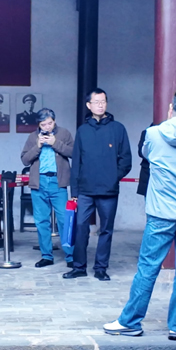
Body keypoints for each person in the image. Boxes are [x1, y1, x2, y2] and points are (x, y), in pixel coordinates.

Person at [104, 89, 176, 340]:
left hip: (161, 212)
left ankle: (131, 321)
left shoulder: (153, 133)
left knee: (148, 267)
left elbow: (148, 156)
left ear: (171, 108)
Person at [64, 88, 132, 281]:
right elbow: (76, 162)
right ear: (89, 105)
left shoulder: (118, 129)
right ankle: (79, 266)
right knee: (81, 227)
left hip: (108, 190)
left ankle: (101, 268)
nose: (101, 105)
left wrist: (113, 177)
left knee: (106, 230)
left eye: (103, 101)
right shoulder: (83, 130)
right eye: (97, 102)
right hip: (85, 190)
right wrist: (74, 190)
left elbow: (126, 160)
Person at [20, 108, 74, 268]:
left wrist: (55, 143)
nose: (47, 127)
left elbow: (74, 153)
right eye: (43, 124)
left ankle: (70, 256)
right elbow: (25, 160)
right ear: (38, 124)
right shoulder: (32, 137)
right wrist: (37, 146)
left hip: (58, 182)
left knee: (64, 220)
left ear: (54, 121)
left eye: (50, 123)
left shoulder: (64, 133)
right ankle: (46, 256)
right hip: (39, 182)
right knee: (42, 221)